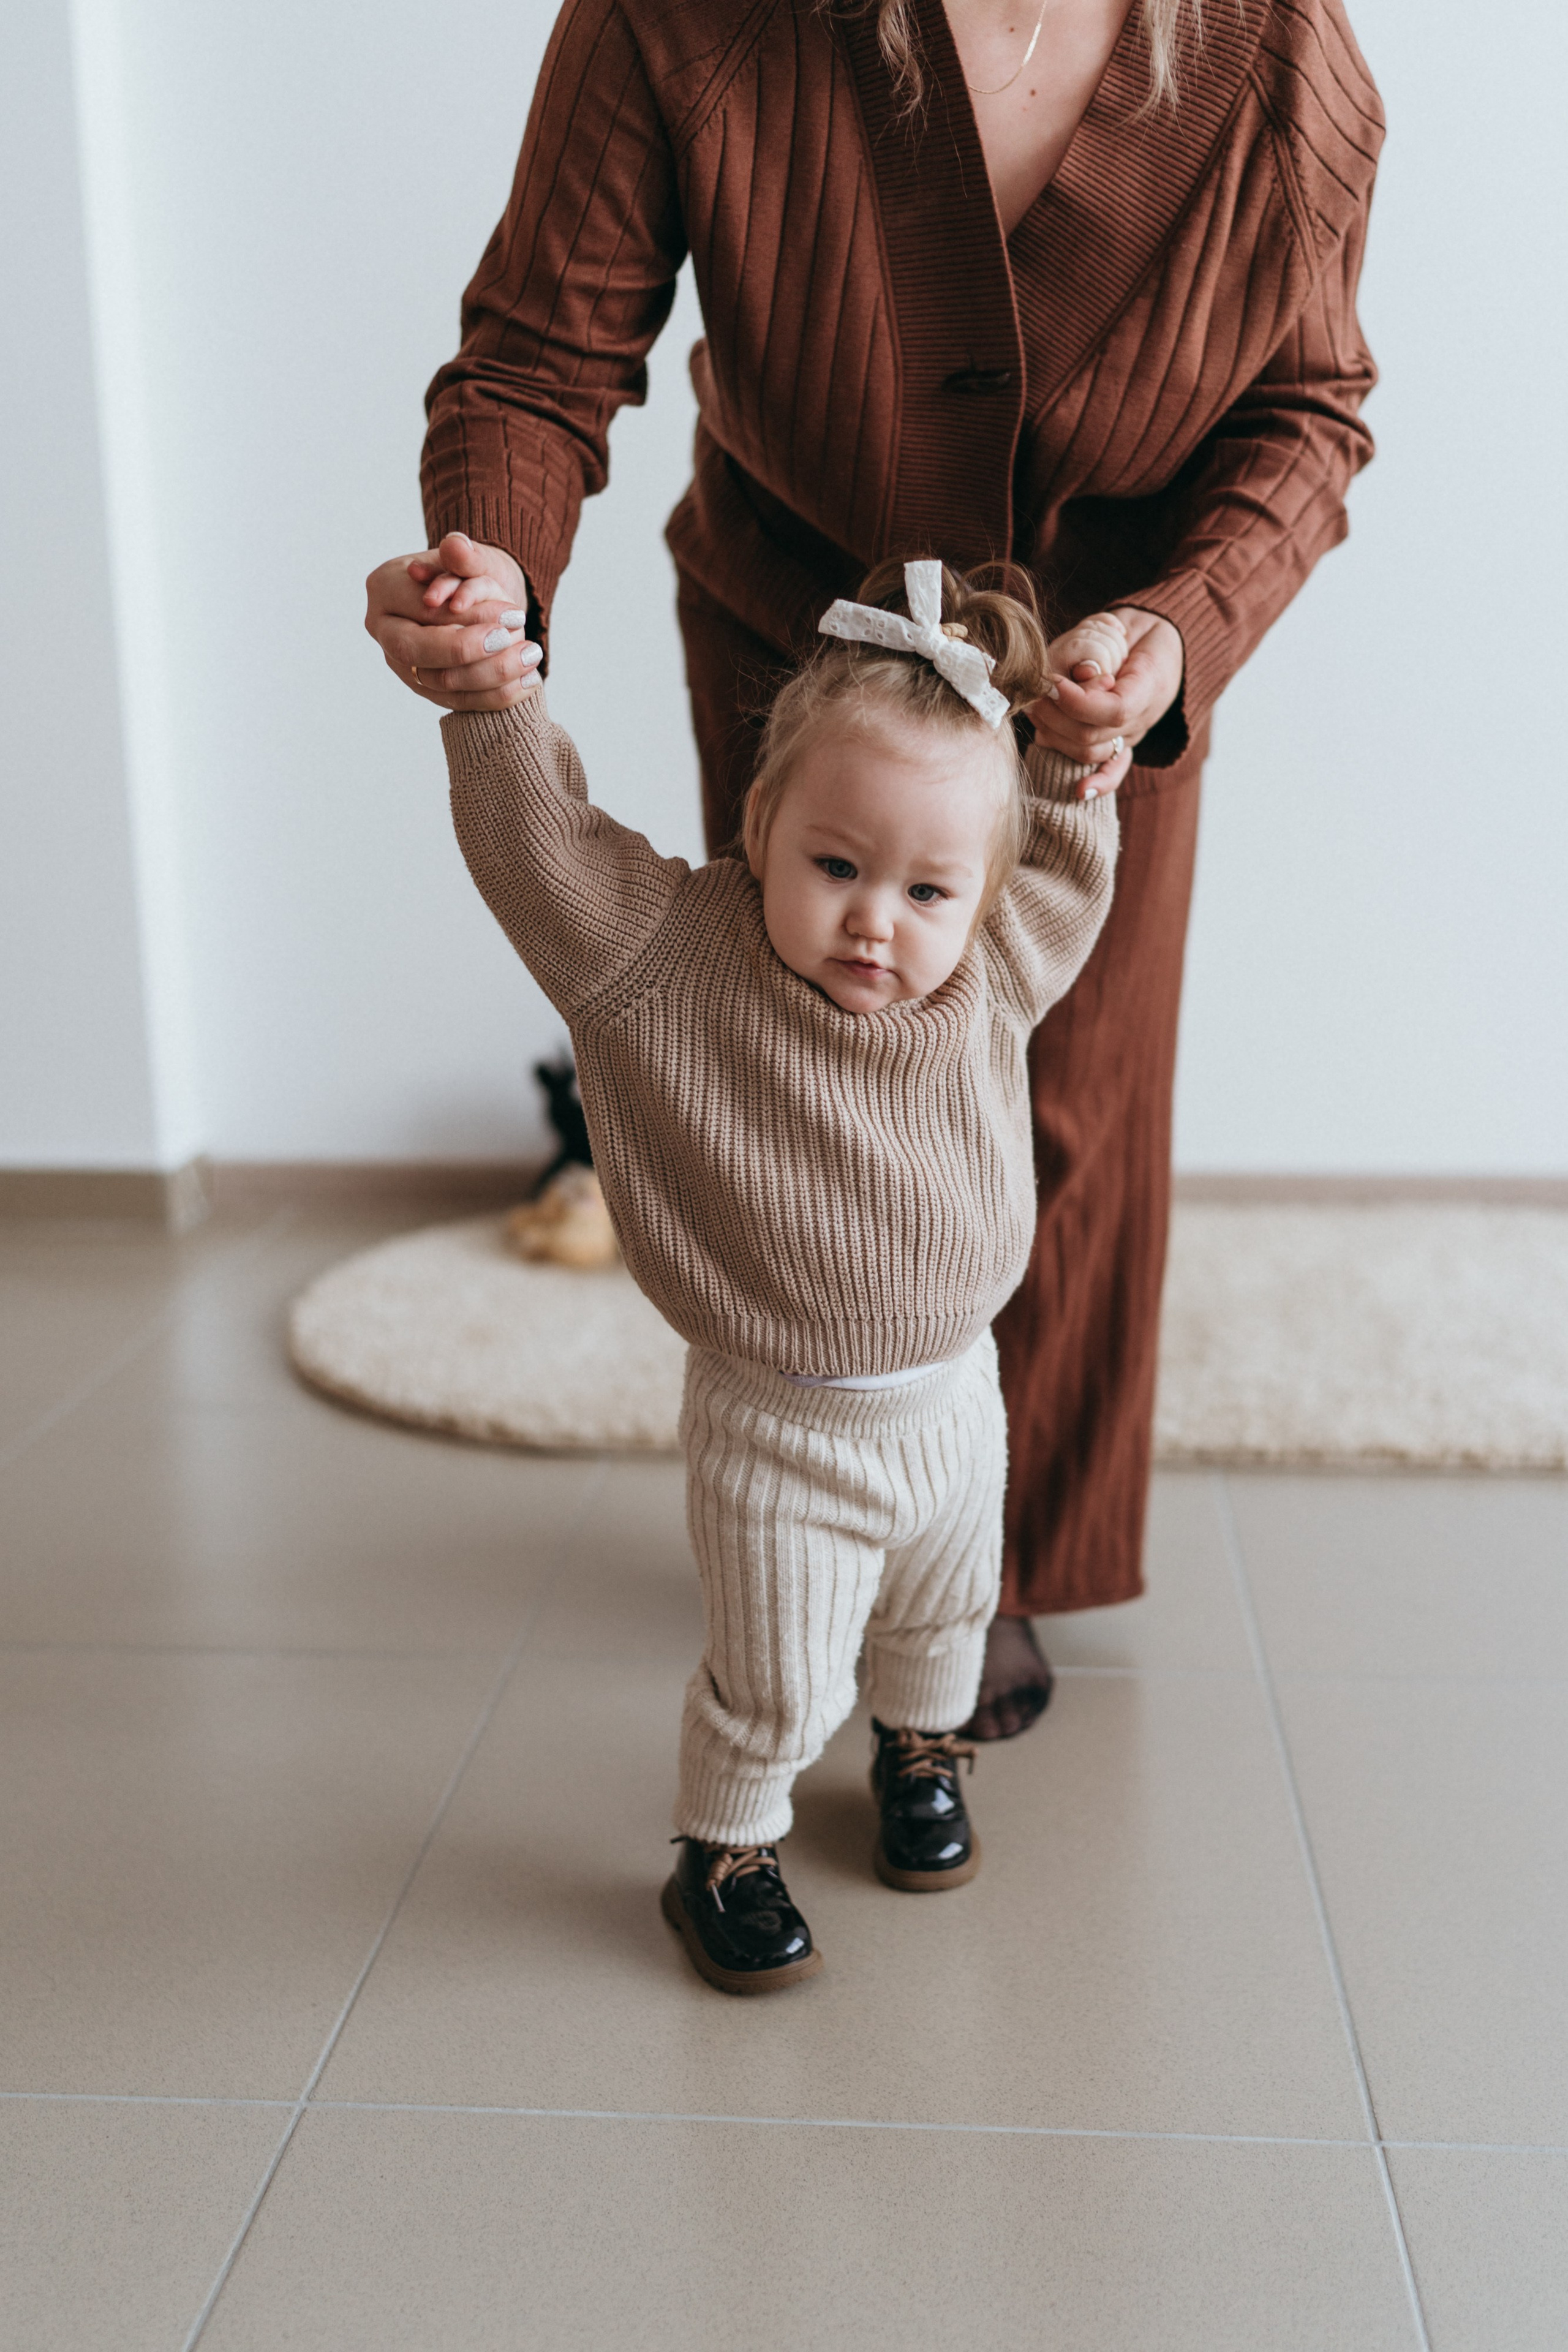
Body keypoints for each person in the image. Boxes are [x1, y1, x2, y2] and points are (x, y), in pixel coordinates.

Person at [366, 0, 1383, 1739]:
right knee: (812, 1093)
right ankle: (805, 1506)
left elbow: (1308, 409)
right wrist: (494, 578)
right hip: (803, 653)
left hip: (1092, 700)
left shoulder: (1278, 52)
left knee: (1070, 1105)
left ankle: (992, 1563)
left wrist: (1175, 631)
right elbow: (535, 359)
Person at [440, 557, 1118, 1989]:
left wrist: (1070, 767)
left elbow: (1060, 868)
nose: (877, 920)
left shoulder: (988, 968)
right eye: (835, 866)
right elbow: (541, 851)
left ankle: (919, 1752)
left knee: (945, 1615)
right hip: (779, 1433)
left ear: (978, 895)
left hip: (953, 1403)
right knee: (778, 1676)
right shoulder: (667, 954)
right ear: (760, 826)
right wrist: (496, 708)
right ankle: (724, 1850)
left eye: (927, 888)